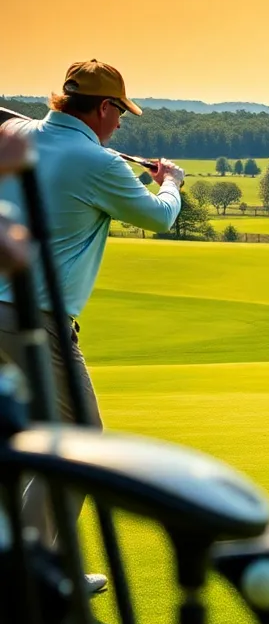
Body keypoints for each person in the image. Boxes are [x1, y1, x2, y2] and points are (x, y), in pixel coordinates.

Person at [0, 60, 185, 593]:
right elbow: (159, 218)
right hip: (36, 319)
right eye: (119, 112)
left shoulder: (19, 131)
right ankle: (34, 574)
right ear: (103, 108)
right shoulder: (99, 163)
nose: (121, 125)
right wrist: (171, 182)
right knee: (80, 442)